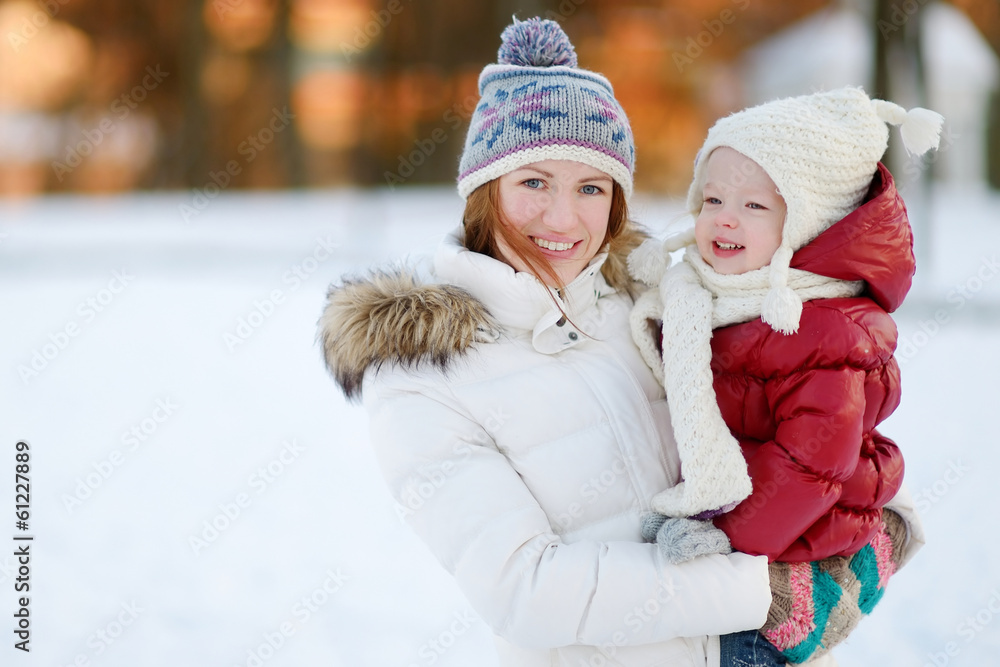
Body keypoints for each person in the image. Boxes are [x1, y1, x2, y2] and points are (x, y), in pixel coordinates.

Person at [319, 17, 785, 666]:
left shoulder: (652, 304)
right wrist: (760, 589)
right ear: (485, 192)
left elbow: (781, 424)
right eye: (534, 182)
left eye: (590, 187)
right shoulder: (420, 375)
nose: (564, 219)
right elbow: (526, 590)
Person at [626, 87, 939, 664]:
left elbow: (811, 464)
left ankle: (808, 598)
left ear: (807, 223)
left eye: (755, 207)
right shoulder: (707, 295)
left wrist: (728, 537)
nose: (724, 218)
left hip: (806, 531)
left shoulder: (819, 330)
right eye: (713, 198)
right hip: (766, 522)